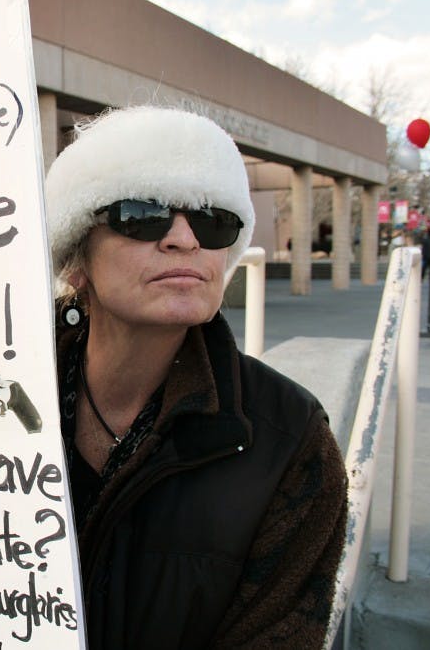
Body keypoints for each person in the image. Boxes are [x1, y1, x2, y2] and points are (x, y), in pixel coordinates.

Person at [45, 107, 347, 649]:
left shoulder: (291, 442)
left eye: (213, 220)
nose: (185, 239)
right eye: (141, 214)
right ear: (75, 257)